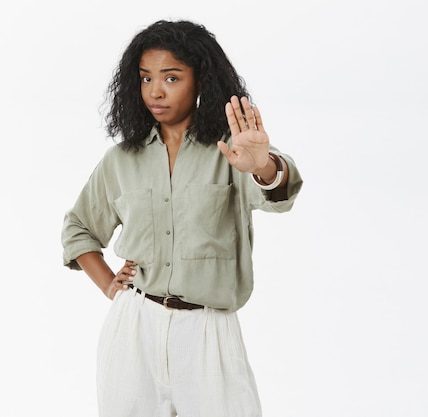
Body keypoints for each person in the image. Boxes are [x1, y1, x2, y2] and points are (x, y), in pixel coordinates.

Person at [61, 19, 303, 417]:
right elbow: (78, 228)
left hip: (207, 330)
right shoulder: (122, 159)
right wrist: (109, 287)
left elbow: (277, 194)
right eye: (145, 78)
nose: (155, 91)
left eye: (171, 78)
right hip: (134, 327)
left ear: (201, 81)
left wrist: (264, 165)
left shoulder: (231, 151)